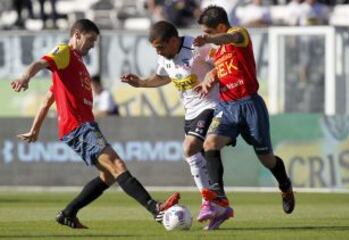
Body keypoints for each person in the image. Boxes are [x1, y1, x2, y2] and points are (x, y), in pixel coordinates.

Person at [11, 18, 180, 229]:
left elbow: (48, 99)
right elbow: (40, 63)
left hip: (83, 126)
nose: (92, 45)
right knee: (117, 165)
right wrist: (25, 77)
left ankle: (68, 213)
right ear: (77, 35)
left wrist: (34, 129)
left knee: (108, 176)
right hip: (78, 127)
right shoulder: (64, 52)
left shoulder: (75, 65)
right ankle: (155, 208)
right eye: (90, 40)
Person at [194, 5, 295, 229]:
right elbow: (222, 68)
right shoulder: (217, 52)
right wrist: (211, 75)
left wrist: (213, 39)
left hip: (250, 105)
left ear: (220, 27)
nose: (208, 37)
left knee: (266, 159)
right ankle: (218, 196)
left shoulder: (240, 35)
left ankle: (285, 186)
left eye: (209, 32)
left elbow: (232, 36)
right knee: (209, 143)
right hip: (227, 106)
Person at [121, 20, 228, 230]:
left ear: (173, 41)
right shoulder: (164, 56)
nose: (158, 52)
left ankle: (209, 201)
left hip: (211, 105)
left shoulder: (197, 47)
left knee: (189, 148)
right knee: (196, 155)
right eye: (155, 49)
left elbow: (223, 62)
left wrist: (211, 75)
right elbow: (162, 78)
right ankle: (218, 205)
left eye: (160, 47)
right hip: (190, 112)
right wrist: (141, 82)